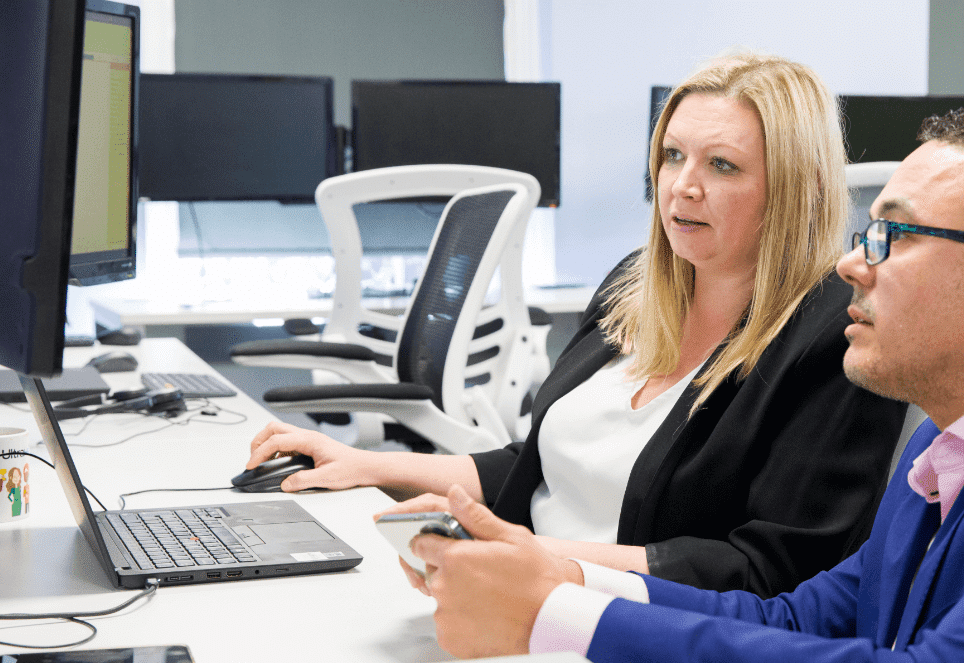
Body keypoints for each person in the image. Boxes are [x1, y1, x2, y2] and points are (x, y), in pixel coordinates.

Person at [248, 52, 907, 597]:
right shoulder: (633, 289)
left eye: (722, 165)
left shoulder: (832, 337)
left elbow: (773, 570)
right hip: (518, 592)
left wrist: (538, 557)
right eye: (673, 155)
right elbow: (533, 466)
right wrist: (365, 464)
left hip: (628, 632)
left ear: (791, 188)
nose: (682, 186)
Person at [405, 108, 964, 663]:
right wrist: (561, 582)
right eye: (671, 156)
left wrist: (555, 617)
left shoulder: (821, 342)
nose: (852, 264)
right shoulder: (935, 454)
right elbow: (799, 619)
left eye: (897, 236)